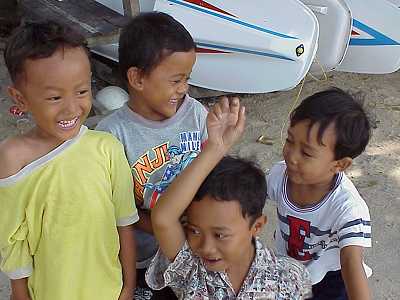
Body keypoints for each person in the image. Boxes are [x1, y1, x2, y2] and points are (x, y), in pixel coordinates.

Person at [0, 21, 138, 300]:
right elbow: (13, 241)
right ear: (20, 98)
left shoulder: (107, 148)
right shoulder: (13, 158)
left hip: (108, 291)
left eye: (82, 91)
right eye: (54, 96)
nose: (71, 107)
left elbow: (124, 223)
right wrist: (20, 295)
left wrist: (128, 286)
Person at [146, 97, 312, 299]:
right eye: (194, 230)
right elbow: (163, 218)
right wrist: (215, 148)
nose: (206, 247)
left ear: (257, 226)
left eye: (220, 235)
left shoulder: (288, 278)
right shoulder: (191, 264)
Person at [96, 12, 208, 299]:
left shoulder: (196, 114)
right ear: (137, 78)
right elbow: (118, 212)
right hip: (144, 258)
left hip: (197, 246)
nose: (184, 88)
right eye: (175, 80)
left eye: (187, 78)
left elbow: (215, 176)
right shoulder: (112, 135)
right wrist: (168, 229)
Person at [266, 88, 372, 300]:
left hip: (331, 281)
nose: (291, 156)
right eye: (289, 140)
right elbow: (246, 201)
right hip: (288, 271)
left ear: (340, 164)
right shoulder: (280, 175)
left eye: (306, 152)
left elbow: (351, 263)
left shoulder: (348, 207)